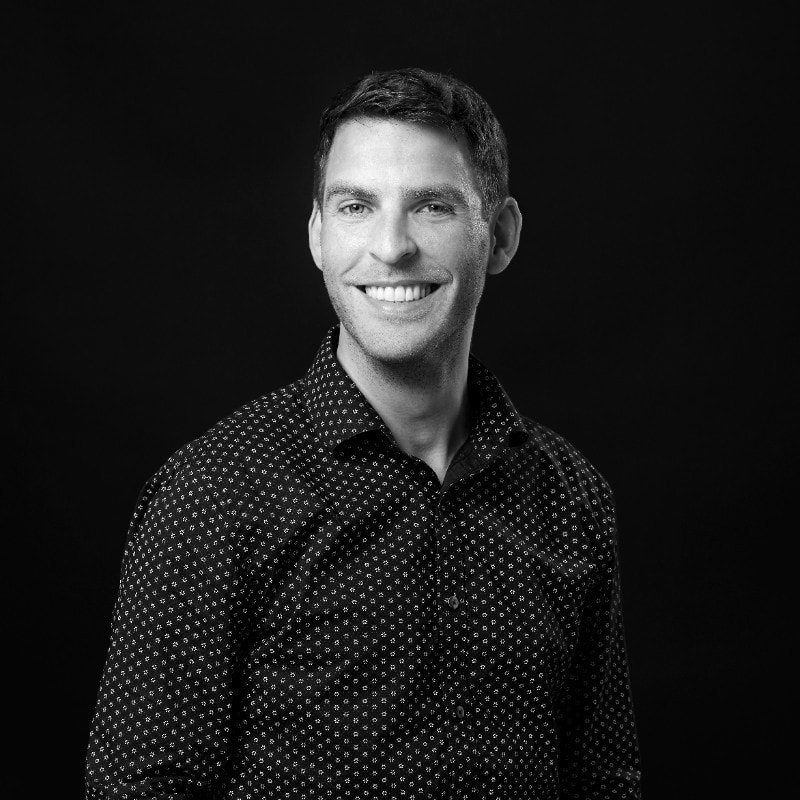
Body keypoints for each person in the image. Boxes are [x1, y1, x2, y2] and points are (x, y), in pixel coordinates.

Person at [86, 67, 642, 799]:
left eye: (433, 207)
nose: (391, 247)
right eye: (356, 206)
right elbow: (140, 787)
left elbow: (605, 782)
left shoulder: (573, 498)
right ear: (319, 236)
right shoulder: (215, 491)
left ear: (500, 236)